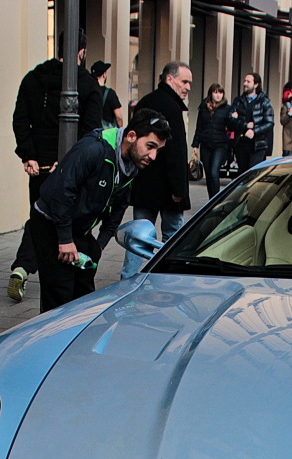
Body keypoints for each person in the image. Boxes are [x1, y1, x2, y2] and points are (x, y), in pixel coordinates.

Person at [29, 109, 171, 313]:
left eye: (158, 150)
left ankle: (78, 339)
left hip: (80, 229)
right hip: (50, 222)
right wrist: (65, 239)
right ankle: (50, 340)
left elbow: (119, 207)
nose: (153, 156)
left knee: (85, 295)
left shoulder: (130, 165)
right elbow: (62, 191)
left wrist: (100, 244)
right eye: (150, 146)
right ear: (131, 136)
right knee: (60, 296)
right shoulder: (94, 149)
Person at [7, 33, 103, 304]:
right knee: (69, 226)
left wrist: (29, 155)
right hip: (70, 169)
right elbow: (91, 130)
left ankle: (25, 268)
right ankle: (62, 286)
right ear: (81, 52)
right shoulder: (86, 85)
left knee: (40, 219)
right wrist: (71, 159)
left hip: (41, 167)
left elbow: (20, 119)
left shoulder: (33, 78)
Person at [120, 61, 192, 284]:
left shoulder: (147, 101)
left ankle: (128, 279)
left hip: (144, 183)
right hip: (168, 189)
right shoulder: (172, 107)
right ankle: (167, 279)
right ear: (169, 79)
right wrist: (179, 188)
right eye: (185, 81)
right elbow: (177, 152)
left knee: (138, 237)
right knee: (172, 238)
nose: (188, 87)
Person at [191, 82, 232, 196]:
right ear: (211, 94)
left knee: (214, 172)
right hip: (206, 144)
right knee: (208, 174)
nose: (218, 95)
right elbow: (199, 127)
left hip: (220, 144)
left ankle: (216, 199)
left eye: (220, 92)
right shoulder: (204, 108)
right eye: (215, 92)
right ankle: (211, 199)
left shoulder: (227, 108)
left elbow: (231, 125)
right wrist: (195, 144)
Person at [229, 72, 273, 173]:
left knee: (253, 174)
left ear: (256, 84)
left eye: (248, 81)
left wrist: (254, 131)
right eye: (244, 81)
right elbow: (230, 120)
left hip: (257, 145)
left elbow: (269, 123)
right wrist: (245, 125)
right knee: (242, 174)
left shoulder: (264, 102)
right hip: (241, 143)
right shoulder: (238, 101)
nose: (245, 83)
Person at [93, 60, 123, 130]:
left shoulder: (89, 91)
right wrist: (121, 130)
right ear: (104, 74)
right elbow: (118, 116)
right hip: (107, 132)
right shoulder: (110, 93)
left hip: (92, 131)